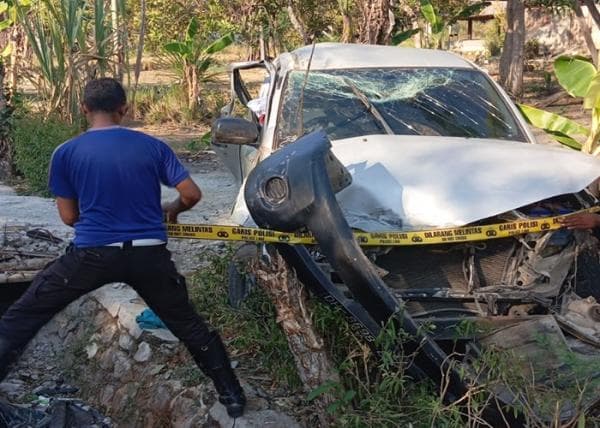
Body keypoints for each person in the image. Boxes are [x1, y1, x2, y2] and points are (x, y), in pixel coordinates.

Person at [0, 78, 246, 418]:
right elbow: (192, 194)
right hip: (149, 256)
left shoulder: (66, 152)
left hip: (92, 256)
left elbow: (69, 217)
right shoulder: (153, 147)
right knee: (188, 324)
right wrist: (172, 209)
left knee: (22, 316)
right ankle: (232, 396)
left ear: (84, 109)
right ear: (124, 109)